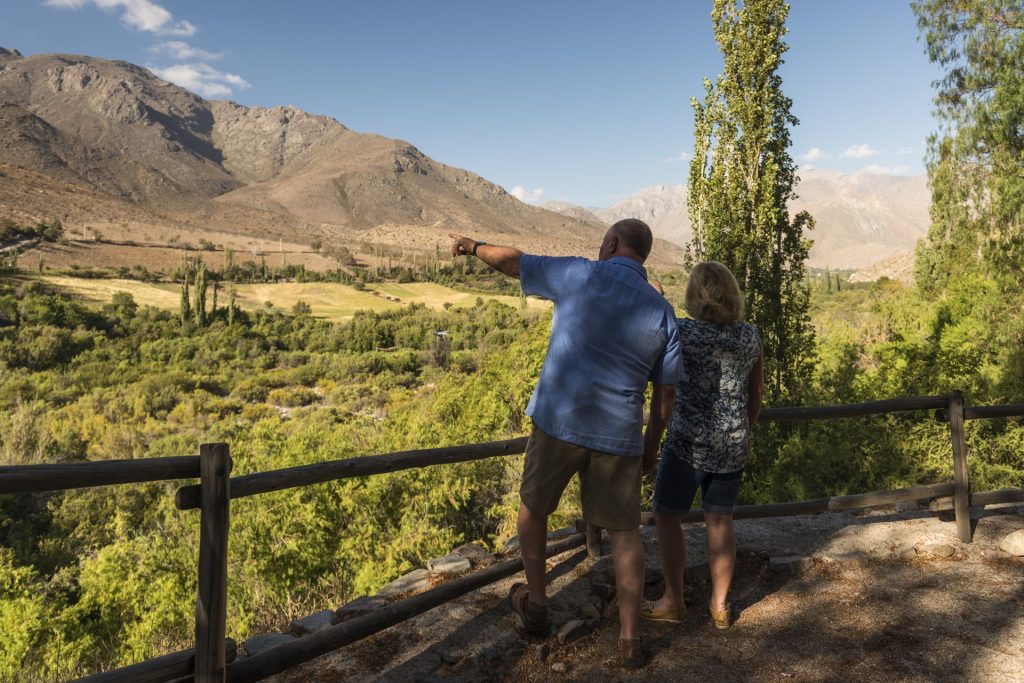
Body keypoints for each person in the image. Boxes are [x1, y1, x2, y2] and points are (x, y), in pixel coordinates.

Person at [449, 219, 681, 668]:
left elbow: (515, 263)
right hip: (619, 436)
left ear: (611, 241)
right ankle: (630, 641)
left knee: (533, 511)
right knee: (626, 535)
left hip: (559, 421)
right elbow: (666, 394)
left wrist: (473, 245)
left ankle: (537, 605)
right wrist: (652, 445)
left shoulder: (580, 274)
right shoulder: (662, 312)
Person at [641, 260, 764, 630]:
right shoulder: (749, 336)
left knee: (666, 515)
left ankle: (673, 600)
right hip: (732, 444)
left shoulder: (684, 333)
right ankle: (720, 605)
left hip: (686, 444)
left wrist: (653, 295)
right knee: (720, 521)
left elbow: (665, 384)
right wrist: (742, 427)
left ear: (696, 295)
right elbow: (754, 392)